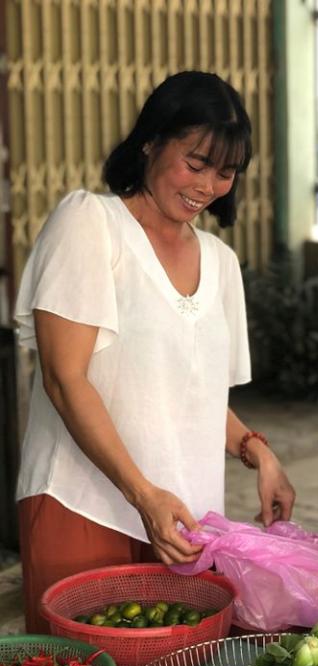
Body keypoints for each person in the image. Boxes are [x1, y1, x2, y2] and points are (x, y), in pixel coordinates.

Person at [14, 71, 296, 633]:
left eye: (225, 172)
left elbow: (192, 395)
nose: (208, 185)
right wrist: (142, 494)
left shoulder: (220, 262)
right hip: (84, 507)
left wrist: (256, 451)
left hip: (179, 524)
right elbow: (65, 380)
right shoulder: (91, 225)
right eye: (196, 163)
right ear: (150, 141)